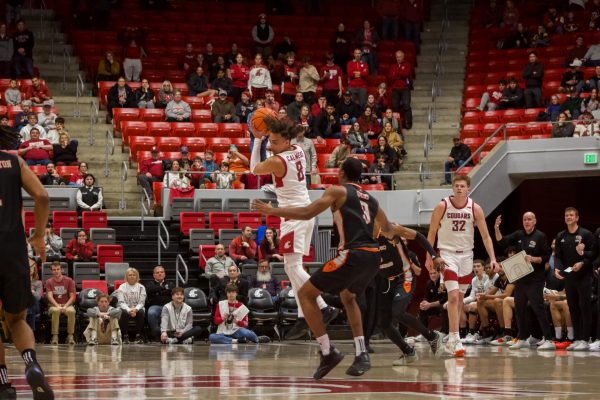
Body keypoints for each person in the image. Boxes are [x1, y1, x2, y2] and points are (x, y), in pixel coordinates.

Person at [252, 157, 417, 379]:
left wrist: (273, 212)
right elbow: (388, 229)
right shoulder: (372, 199)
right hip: (373, 257)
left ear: (341, 173)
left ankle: (328, 352)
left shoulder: (337, 191)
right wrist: (409, 233)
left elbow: (307, 212)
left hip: (353, 254)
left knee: (305, 295)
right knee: (348, 297)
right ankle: (362, 354)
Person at [249, 117, 339, 341]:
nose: (271, 145)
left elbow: (253, 169)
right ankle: (302, 316)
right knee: (292, 268)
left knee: (292, 267)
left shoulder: (277, 161)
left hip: (293, 216)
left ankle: (322, 305)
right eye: (269, 140)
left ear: (286, 140)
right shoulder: (298, 148)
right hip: (303, 212)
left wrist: (257, 141)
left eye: (275, 141)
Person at [0, 125, 54, 399]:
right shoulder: (13, 161)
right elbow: (43, 196)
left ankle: (2, 383)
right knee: (17, 318)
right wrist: (40, 236)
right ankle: (32, 365)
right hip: (13, 249)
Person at [425, 174, 500, 357]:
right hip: (447, 255)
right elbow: (432, 232)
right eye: (456, 185)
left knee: (459, 299)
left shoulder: (475, 208)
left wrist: (493, 258)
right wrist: (429, 256)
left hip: (467, 256)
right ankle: (454, 338)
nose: (459, 188)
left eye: (462, 186)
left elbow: (486, 236)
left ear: (468, 189)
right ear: (453, 188)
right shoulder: (442, 206)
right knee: (452, 297)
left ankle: (454, 335)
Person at [376, 227, 445, 365]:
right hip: (384, 280)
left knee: (397, 312)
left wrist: (434, 255)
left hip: (404, 276)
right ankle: (408, 352)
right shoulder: (362, 237)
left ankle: (431, 337)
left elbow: (419, 236)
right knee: (383, 322)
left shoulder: (389, 229)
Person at [494, 212, 554, 349]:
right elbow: (501, 241)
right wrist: (497, 228)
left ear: (535, 221)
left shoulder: (540, 236)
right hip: (520, 278)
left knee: (538, 308)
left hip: (535, 279)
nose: (526, 221)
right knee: (519, 308)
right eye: (524, 219)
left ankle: (549, 339)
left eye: (529, 219)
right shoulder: (519, 235)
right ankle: (522, 337)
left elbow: (546, 256)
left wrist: (533, 259)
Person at [554, 207, 596, 351]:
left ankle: (586, 339)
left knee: (585, 308)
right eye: (566, 215)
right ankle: (577, 338)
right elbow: (558, 256)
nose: (569, 217)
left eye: (571, 215)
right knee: (573, 308)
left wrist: (583, 262)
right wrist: (557, 268)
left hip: (584, 277)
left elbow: (594, 254)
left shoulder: (586, 234)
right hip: (569, 278)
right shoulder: (561, 236)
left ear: (577, 218)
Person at [46, 261, 77, 345]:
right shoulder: (49, 281)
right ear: (51, 271)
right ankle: (55, 336)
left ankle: (70, 336)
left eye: (58, 269)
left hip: (67, 304)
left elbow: (72, 296)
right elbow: (49, 296)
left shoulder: (69, 280)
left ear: (61, 270)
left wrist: (65, 306)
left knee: (71, 311)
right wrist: (58, 306)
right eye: (54, 270)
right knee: (56, 311)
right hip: (54, 305)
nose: (56, 271)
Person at [115, 267, 147, 344]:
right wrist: (129, 310)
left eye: (134, 275)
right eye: (130, 275)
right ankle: (125, 336)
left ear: (137, 276)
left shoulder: (141, 287)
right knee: (124, 313)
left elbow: (142, 302)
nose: (132, 276)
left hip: (137, 308)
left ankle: (138, 336)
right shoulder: (122, 287)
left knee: (141, 313)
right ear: (126, 276)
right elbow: (121, 302)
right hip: (125, 308)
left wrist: (135, 309)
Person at [145, 265, 175, 341]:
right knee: (151, 312)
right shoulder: (149, 284)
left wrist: (157, 291)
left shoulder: (171, 283)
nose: (160, 274)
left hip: (169, 306)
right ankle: (157, 333)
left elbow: (173, 292)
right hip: (155, 306)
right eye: (157, 272)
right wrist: (164, 288)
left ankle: (172, 333)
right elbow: (150, 290)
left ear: (164, 274)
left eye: (161, 272)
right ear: (154, 275)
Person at [26, 257, 42, 333]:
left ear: (34, 269)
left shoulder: (38, 283)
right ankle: (30, 332)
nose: (30, 269)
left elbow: (38, 297)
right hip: (23, 306)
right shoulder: (20, 282)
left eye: (32, 267)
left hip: (35, 306)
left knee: (32, 299)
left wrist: (31, 292)